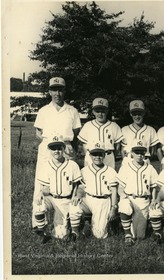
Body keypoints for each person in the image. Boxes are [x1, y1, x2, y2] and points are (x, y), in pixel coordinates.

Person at [32, 77, 81, 230]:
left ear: (64, 91)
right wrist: (50, 140)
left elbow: (76, 132)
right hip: (47, 148)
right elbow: (38, 132)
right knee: (41, 184)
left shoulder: (72, 111)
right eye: (54, 89)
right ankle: (38, 223)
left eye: (60, 89)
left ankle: (68, 220)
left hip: (65, 148)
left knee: (66, 184)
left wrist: (68, 146)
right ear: (49, 91)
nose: (57, 93)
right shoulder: (44, 110)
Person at [33, 135, 82, 243]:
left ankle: (73, 230)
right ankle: (44, 232)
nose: (56, 151)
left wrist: (76, 195)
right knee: (38, 205)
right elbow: (44, 188)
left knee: (61, 236)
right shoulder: (46, 165)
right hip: (51, 198)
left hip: (66, 199)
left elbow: (77, 185)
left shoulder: (72, 165)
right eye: (53, 148)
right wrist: (42, 195)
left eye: (59, 148)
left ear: (64, 149)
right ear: (49, 150)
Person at [69, 141, 118, 240]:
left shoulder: (110, 171)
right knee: (74, 206)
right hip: (88, 199)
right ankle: (76, 231)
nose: (97, 157)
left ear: (104, 155)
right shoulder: (84, 170)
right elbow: (81, 188)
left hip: (103, 201)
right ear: (90, 155)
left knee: (100, 235)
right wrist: (78, 195)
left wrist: (113, 208)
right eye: (94, 154)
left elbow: (113, 191)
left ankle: (110, 223)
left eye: (100, 154)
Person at [117, 140, 158, 246]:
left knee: (139, 236)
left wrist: (153, 200)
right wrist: (123, 197)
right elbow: (120, 187)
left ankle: (135, 232)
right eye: (137, 152)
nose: (139, 155)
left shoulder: (150, 168)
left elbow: (154, 187)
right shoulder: (125, 167)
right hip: (130, 198)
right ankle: (127, 236)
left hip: (143, 200)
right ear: (132, 153)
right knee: (124, 205)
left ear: (145, 154)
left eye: (142, 152)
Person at [78, 97, 123, 169]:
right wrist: (89, 155)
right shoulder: (88, 125)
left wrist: (111, 156)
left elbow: (117, 145)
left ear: (107, 111)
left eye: (103, 111)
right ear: (93, 112)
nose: (100, 114)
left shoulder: (114, 126)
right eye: (97, 111)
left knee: (109, 178)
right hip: (92, 156)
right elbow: (84, 144)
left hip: (108, 156)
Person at [121, 100, 159, 165]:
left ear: (143, 113)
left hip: (144, 159)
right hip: (129, 159)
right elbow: (122, 149)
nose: (137, 117)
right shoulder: (125, 129)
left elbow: (153, 149)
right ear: (130, 114)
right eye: (134, 114)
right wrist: (125, 159)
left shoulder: (150, 130)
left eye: (139, 114)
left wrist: (147, 157)